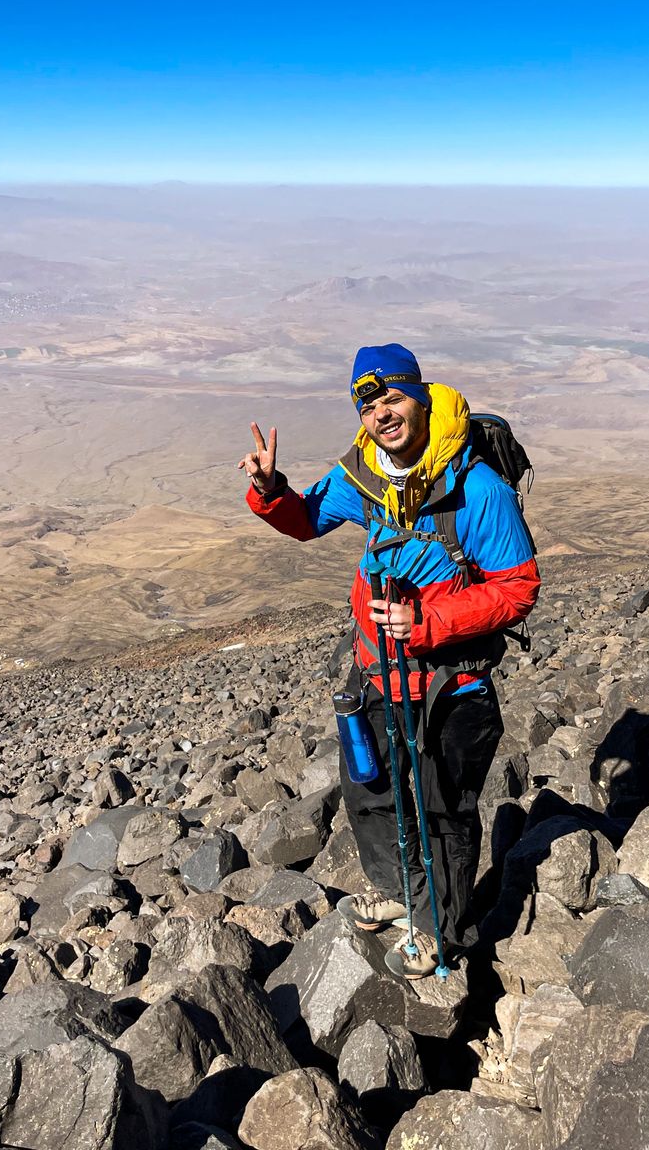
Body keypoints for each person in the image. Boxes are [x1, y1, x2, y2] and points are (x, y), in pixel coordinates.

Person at [239, 343, 540, 978]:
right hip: (376, 670)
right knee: (370, 789)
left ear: (421, 397)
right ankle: (403, 893)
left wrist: (428, 623)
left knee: (443, 811)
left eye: (392, 398)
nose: (381, 412)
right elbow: (306, 518)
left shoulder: (477, 488)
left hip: (450, 686)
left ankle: (442, 931)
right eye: (368, 403)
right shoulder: (364, 477)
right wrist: (270, 490)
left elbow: (518, 587)